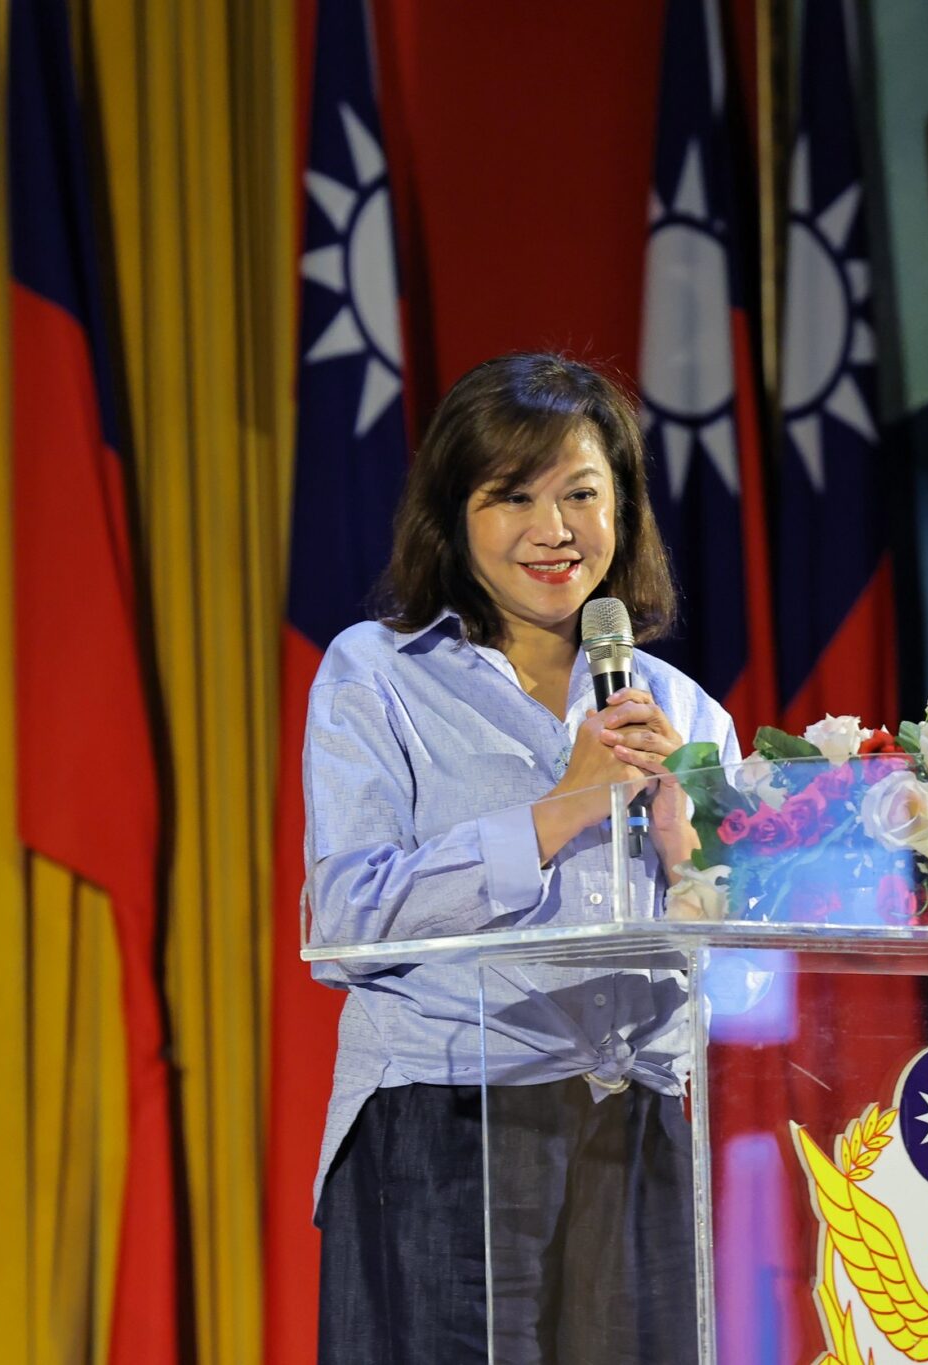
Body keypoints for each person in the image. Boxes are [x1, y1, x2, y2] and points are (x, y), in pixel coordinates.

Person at [301, 352, 742, 1364]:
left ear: (621, 509)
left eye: (581, 494)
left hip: (634, 1126)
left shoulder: (686, 713)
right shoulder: (377, 674)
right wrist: (556, 813)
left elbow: (752, 981)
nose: (555, 530)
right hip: (445, 1120)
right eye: (512, 497)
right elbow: (347, 921)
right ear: (455, 516)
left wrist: (688, 853)